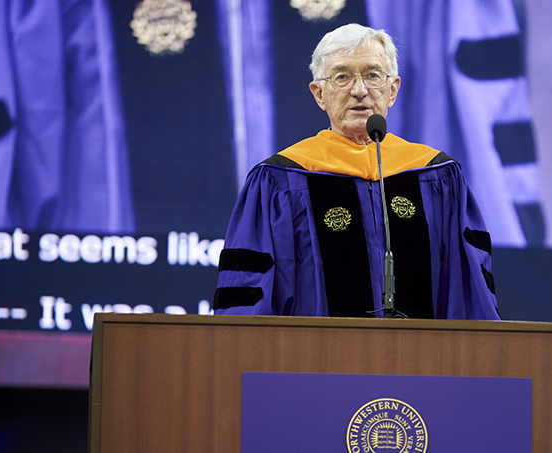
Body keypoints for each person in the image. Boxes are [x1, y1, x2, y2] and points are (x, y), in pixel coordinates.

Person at [213, 23, 499, 320]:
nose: (359, 90)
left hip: (421, 363)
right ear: (319, 94)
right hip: (311, 364)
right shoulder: (278, 180)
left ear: (392, 90)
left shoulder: (438, 176)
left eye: (373, 75)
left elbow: (471, 293)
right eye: (342, 77)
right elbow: (246, 299)